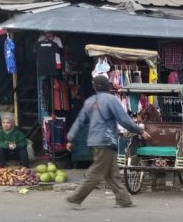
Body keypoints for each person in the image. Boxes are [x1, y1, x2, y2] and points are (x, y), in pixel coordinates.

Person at [64, 75, 150, 209]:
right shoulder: (111, 100)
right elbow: (124, 120)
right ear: (108, 86)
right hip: (106, 140)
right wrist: (140, 131)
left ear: (94, 87)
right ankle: (75, 199)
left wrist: (70, 138)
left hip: (94, 140)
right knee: (97, 172)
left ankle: (123, 200)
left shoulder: (89, 101)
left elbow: (79, 121)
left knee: (112, 173)